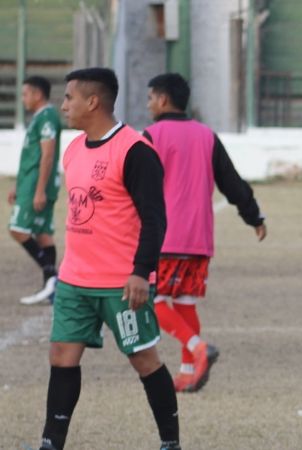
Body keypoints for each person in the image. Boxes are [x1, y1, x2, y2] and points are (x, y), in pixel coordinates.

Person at [37, 68, 179, 450]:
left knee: (144, 360)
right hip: (74, 280)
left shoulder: (135, 150)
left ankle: (170, 443)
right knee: (61, 355)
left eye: (69, 98)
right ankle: (51, 443)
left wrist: (139, 273)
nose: (63, 105)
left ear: (92, 102)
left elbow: (155, 219)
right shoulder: (74, 149)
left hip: (121, 285)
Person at [143, 72, 267, 393]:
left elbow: (133, 187)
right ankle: (188, 372)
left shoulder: (150, 136)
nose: (148, 105)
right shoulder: (206, 136)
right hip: (198, 240)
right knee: (184, 303)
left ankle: (198, 349)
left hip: (164, 238)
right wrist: (253, 216)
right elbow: (232, 183)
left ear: (162, 99)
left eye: (150, 98)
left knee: (149, 301)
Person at [8, 76, 62, 305]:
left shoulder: (47, 116)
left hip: (37, 185)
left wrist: (38, 190)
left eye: (25, 94)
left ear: (38, 94)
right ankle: (51, 284)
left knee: (17, 229)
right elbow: (31, 157)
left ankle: (52, 276)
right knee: (42, 233)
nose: (23, 99)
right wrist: (18, 185)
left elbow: (48, 155)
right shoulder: (40, 118)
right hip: (30, 183)